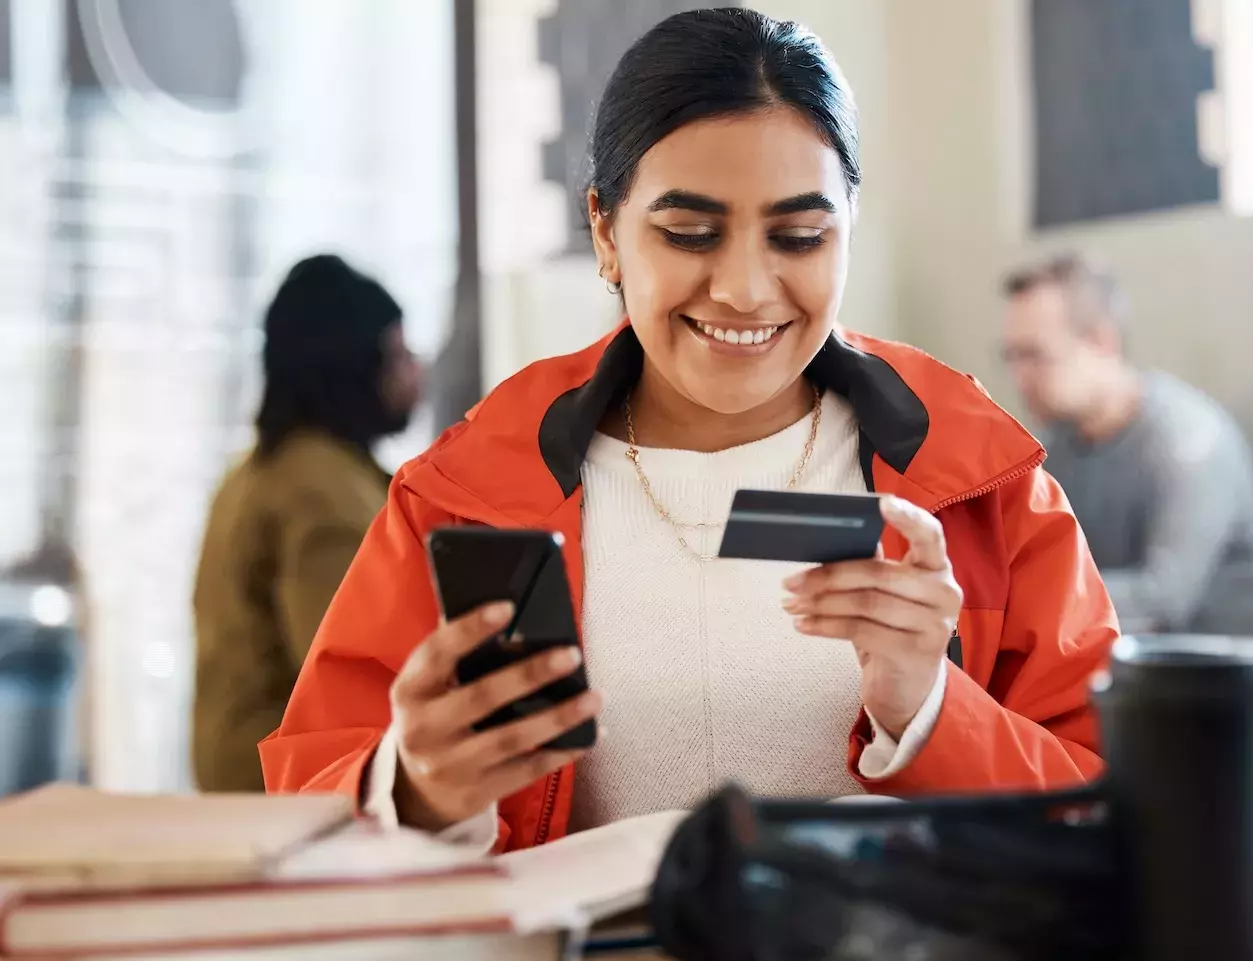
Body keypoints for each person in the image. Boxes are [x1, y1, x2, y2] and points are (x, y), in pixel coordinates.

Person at [263, 9, 1118, 850]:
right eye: (689, 233)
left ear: (849, 224)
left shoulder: (984, 480)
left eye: (800, 235)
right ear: (605, 231)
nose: (746, 287)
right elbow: (307, 795)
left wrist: (931, 710)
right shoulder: (464, 493)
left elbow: (1111, 810)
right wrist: (412, 789)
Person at [192, 255, 424, 792]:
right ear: (355, 365)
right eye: (398, 352)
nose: (416, 368)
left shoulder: (258, 470)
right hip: (294, 799)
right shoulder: (321, 492)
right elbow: (353, 681)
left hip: (242, 785)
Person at [1001, 253, 1253, 638]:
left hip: (1222, 687)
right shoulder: (1057, 451)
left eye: (1035, 355)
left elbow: (1163, 600)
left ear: (1103, 342)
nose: (1020, 378)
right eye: (1012, 357)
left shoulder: (1187, 439)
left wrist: (1023, 597)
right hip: (1126, 682)